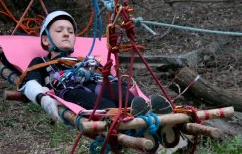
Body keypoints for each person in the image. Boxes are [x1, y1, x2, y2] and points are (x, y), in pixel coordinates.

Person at [20, 11, 172, 120]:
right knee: (102, 103)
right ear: (46, 40)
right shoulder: (41, 62)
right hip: (71, 92)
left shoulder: (85, 61)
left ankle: (147, 113)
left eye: (71, 31)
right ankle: (121, 117)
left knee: (123, 93)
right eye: (59, 31)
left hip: (97, 85)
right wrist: (42, 98)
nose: (66, 34)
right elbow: (30, 84)